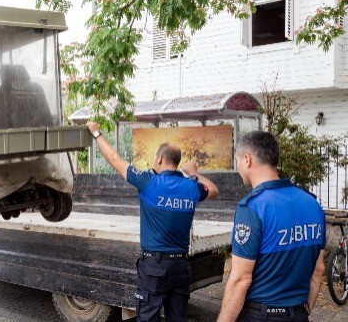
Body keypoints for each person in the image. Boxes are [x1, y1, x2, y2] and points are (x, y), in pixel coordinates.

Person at [86, 121, 219, 322]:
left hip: (154, 269)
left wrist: (96, 133)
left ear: (159, 159)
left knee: (148, 318)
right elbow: (214, 190)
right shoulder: (191, 187)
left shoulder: (149, 182)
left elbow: (114, 159)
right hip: (181, 266)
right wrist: (194, 172)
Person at [218, 131, 326, 322]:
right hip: (298, 314)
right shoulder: (313, 205)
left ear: (247, 160)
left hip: (261, 315)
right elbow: (318, 269)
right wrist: (304, 309)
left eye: (237, 161)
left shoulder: (252, 207)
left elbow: (241, 278)